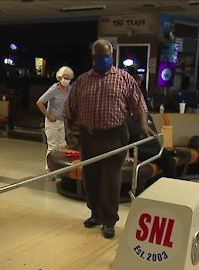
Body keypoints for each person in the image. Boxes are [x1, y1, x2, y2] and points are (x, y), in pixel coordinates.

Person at [64, 39, 154, 239]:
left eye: (107, 56)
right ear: (93, 57)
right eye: (100, 56)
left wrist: (143, 124)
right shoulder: (82, 80)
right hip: (89, 136)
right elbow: (69, 109)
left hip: (115, 136)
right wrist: (68, 130)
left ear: (111, 56)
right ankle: (95, 213)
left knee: (110, 179)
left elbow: (139, 105)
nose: (104, 59)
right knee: (91, 177)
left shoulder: (124, 78)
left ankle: (109, 220)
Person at [36, 66, 74, 173]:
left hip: (63, 121)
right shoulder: (54, 89)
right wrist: (48, 115)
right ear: (60, 77)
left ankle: (59, 169)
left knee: (62, 146)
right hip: (52, 122)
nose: (66, 80)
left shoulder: (70, 89)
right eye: (64, 78)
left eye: (68, 78)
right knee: (52, 146)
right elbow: (39, 102)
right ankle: (49, 170)